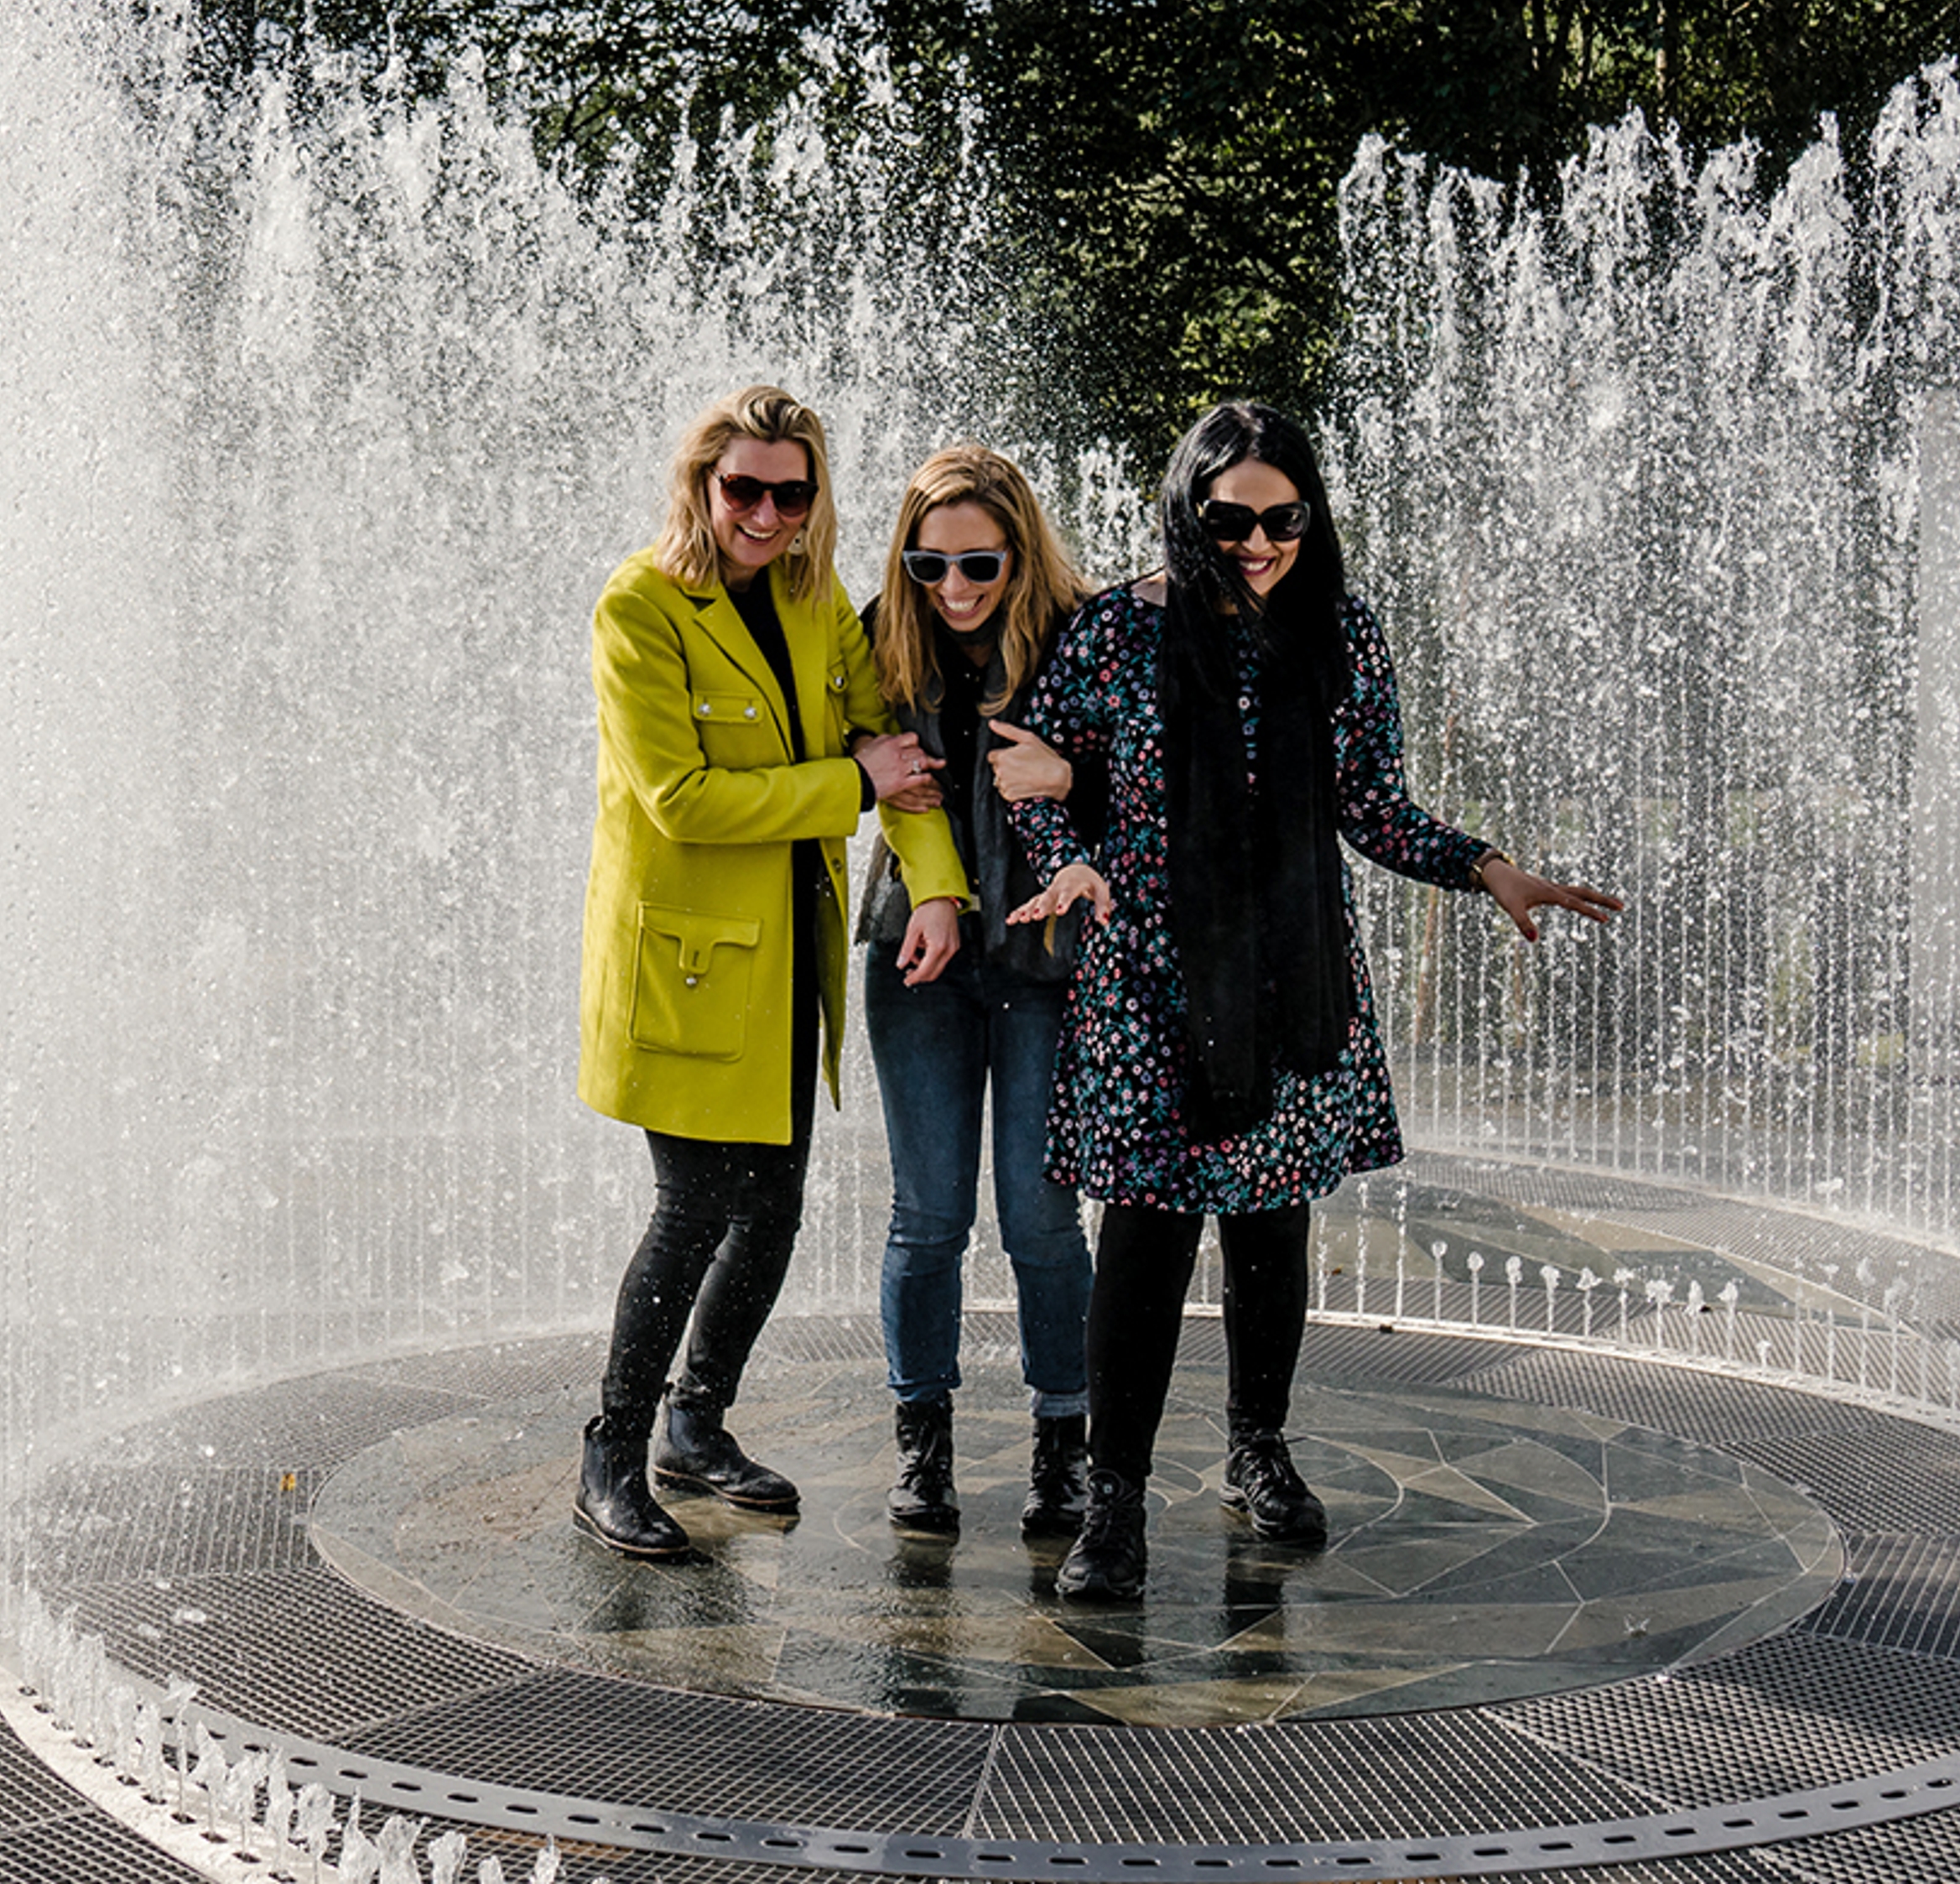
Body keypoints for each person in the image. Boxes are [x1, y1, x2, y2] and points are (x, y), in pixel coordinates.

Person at [1006, 400, 1622, 1603]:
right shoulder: (1115, 635)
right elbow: (1036, 769)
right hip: (1147, 979)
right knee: (1143, 1235)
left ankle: (1257, 1449)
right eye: (1229, 517)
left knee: (1270, 1225)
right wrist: (1062, 853)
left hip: (1293, 971)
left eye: (1283, 518)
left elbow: (1373, 806)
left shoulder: (1338, 631)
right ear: (1188, 508)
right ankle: (1115, 1502)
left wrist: (1482, 863)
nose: (1256, 541)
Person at [573, 383, 965, 1559]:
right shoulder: (639, 606)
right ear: (702, 483)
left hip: (788, 952)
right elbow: (682, 801)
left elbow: (889, 743)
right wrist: (851, 786)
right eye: (743, 487)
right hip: (686, 969)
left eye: (791, 493)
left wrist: (937, 883)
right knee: (693, 1210)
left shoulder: (810, 597)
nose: (766, 514)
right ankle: (611, 1452)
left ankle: (697, 1425)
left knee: (777, 1208)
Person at [855, 445, 1102, 1538]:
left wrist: (1076, 778)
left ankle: (1064, 1444)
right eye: (928, 565)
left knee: (1041, 1217)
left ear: (1022, 549)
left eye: (978, 566)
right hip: (922, 954)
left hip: (1050, 963)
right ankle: (924, 1442)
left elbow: (1158, 771)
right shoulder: (876, 633)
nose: (951, 590)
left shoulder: (1085, 635)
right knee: (929, 1213)